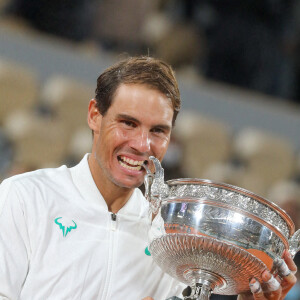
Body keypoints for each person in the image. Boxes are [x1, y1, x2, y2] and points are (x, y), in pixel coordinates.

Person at [0, 56, 297, 300]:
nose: (142, 145)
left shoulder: (170, 238)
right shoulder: (24, 198)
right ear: (94, 115)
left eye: (158, 131)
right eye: (128, 123)